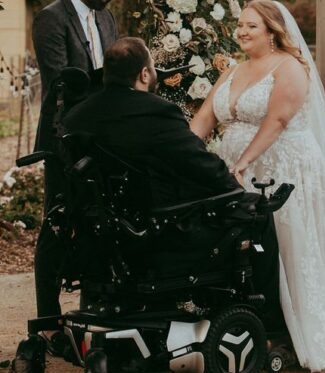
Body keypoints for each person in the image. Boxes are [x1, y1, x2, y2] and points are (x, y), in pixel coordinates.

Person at [190, 0, 325, 373]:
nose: (241, 32)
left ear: (272, 31)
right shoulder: (233, 71)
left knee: (291, 247)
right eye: (240, 25)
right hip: (236, 173)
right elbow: (204, 117)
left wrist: (243, 162)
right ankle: (257, 320)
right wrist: (182, 154)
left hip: (285, 169)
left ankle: (305, 334)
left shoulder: (291, 68)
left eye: (251, 26)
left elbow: (279, 120)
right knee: (248, 248)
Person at [64, 36, 285, 332]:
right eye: (153, 67)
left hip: (102, 234)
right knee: (255, 211)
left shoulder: (78, 115)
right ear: (144, 74)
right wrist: (233, 186)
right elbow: (199, 165)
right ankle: (268, 322)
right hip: (157, 233)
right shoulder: (156, 111)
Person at [32, 0, 121, 344]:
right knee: (57, 224)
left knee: (100, 223)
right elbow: (61, 82)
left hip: (103, 140)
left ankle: (91, 315)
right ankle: (48, 321)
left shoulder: (107, 18)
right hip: (63, 140)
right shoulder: (50, 18)